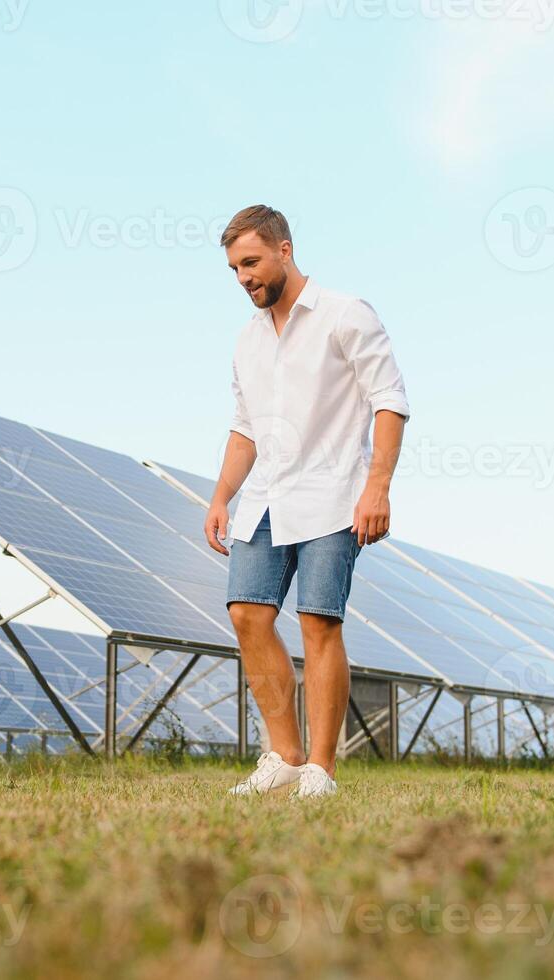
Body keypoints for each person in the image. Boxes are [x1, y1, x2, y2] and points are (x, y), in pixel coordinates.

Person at [205, 205, 411, 800]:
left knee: (319, 623)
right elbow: (244, 428)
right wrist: (222, 496)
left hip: (333, 495)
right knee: (247, 613)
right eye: (234, 269)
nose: (243, 277)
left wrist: (378, 487)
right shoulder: (247, 340)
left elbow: (390, 400)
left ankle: (320, 768)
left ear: (285, 250)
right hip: (265, 498)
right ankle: (284, 753)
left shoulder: (346, 315)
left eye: (251, 262)